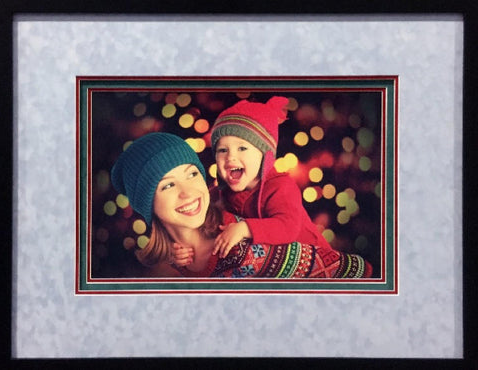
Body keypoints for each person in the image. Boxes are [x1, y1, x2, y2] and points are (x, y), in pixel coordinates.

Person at [111, 132, 372, 278]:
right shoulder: (160, 271)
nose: (188, 192)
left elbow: (356, 272)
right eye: (168, 185)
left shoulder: (247, 249)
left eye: (192, 174)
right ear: (147, 204)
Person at [208, 96, 333, 259]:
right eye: (222, 150)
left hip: (312, 260)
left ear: (265, 156)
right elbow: (199, 210)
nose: (230, 157)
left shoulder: (280, 186)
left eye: (242, 148)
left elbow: (288, 227)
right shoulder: (219, 194)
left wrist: (244, 228)